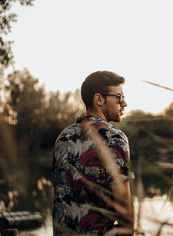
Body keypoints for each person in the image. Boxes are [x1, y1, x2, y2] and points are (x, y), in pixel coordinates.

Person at [52, 71, 134, 235]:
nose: (124, 103)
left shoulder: (63, 137)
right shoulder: (114, 137)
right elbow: (123, 205)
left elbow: (59, 196)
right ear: (99, 99)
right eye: (119, 97)